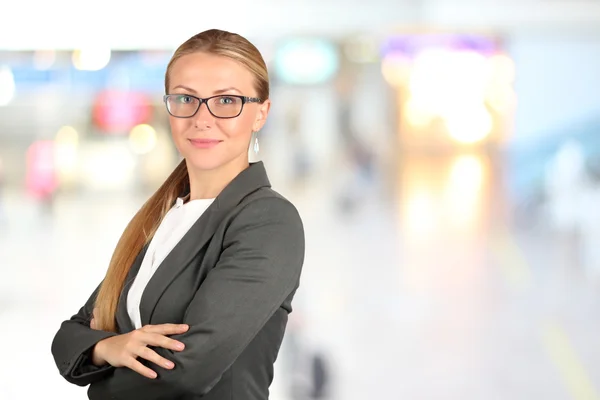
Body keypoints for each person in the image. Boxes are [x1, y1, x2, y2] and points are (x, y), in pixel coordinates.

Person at [51, 29, 305, 400]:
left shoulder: (267, 221)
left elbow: (185, 372)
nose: (202, 118)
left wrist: (98, 379)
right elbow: (68, 337)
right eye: (186, 98)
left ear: (260, 113)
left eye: (226, 101)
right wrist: (109, 348)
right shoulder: (164, 218)